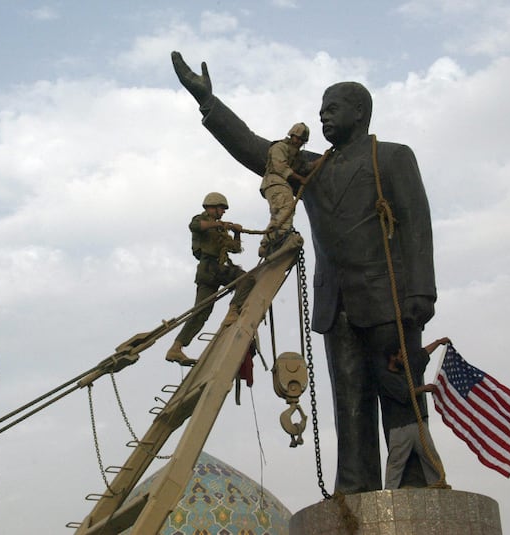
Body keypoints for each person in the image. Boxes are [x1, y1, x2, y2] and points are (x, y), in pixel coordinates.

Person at [171, 52, 437, 493]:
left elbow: (417, 224)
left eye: (332, 109)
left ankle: (414, 483)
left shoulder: (391, 158)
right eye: (320, 111)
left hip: (390, 299)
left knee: (399, 391)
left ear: (360, 112)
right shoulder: (311, 169)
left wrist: (421, 295)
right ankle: (355, 487)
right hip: (337, 306)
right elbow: (258, 149)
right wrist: (209, 104)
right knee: (348, 401)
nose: (322, 117)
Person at [165, 192, 254, 366]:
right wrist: (219, 224)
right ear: (212, 207)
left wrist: (236, 233)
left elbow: (235, 249)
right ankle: (233, 311)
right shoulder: (201, 220)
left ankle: (176, 348)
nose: (223, 212)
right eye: (221, 208)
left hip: (210, 271)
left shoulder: (219, 228)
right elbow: (195, 226)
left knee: (200, 312)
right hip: (211, 267)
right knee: (247, 279)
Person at [379, 337, 449, 489]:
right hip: (400, 427)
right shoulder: (386, 378)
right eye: (401, 356)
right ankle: (390, 493)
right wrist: (423, 388)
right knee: (396, 463)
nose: (404, 359)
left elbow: (423, 355)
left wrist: (437, 342)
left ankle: (439, 486)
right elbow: (403, 394)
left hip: (418, 424)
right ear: (392, 357)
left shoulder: (409, 369)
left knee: (431, 457)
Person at [258, 123, 312, 257]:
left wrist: (325, 157)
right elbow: (280, 167)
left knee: (279, 214)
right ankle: (279, 237)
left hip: (280, 184)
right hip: (275, 181)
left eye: (302, 140)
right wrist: (300, 179)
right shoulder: (280, 147)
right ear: (292, 135)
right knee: (287, 208)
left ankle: (267, 244)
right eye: (297, 138)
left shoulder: (296, 155)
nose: (299, 142)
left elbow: (306, 167)